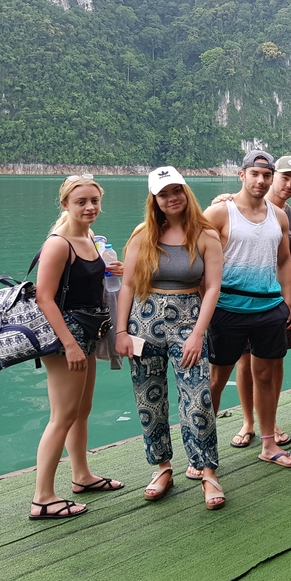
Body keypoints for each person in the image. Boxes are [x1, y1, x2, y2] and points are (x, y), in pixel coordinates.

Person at [116, 167, 225, 509]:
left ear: (185, 192)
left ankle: (207, 470)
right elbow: (129, 285)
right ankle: (162, 467)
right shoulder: (142, 235)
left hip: (189, 321)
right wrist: (120, 331)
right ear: (155, 200)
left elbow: (212, 288)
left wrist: (198, 334)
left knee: (198, 398)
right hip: (144, 322)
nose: (171, 198)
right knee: (149, 400)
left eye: (176, 190)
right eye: (163, 194)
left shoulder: (205, 235)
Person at [30, 175, 123, 520]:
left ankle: (81, 476)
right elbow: (44, 297)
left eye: (94, 201)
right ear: (65, 204)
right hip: (65, 338)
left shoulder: (88, 238)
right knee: (62, 416)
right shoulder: (59, 243)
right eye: (81, 201)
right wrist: (69, 345)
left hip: (89, 332)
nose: (89, 207)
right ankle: (42, 497)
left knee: (82, 410)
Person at [202, 151, 291, 469]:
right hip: (228, 309)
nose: (261, 180)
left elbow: (284, 261)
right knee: (216, 380)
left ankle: (269, 444)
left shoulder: (279, 216)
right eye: (255, 173)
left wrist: (286, 301)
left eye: (266, 175)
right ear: (241, 174)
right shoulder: (219, 213)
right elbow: (196, 256)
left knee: (266, 377)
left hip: (269, 309)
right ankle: (203, 449)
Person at [228, 156, 291, 451]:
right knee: (245, 362)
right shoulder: (233, 207)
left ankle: (269, 423)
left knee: (274, 361)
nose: (288, 185)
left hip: (277, 302)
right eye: (284, 177)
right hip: (242, 301)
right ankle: (248, 421)